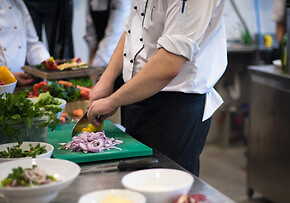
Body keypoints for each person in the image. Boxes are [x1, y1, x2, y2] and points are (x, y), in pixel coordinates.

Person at [87, 0, 227, 176]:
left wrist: (112, 101)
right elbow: (132, 29)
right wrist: (106, 80)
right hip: (135, 95)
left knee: (168, 188)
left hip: (175, 108)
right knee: (135, 178)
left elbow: (170, 63)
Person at [0, 0, 50, 86]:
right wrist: (8, 77)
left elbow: (32, 44)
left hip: (21, 83)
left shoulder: (17, 2)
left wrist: (47, 63)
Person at [85, 0, 131, 68]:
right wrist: (90, 62)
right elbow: (91, 32)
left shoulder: (122, 2)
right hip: (100, 55)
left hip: (116, 56)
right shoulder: (92, 2)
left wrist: (94, 68)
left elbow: (113, 34)